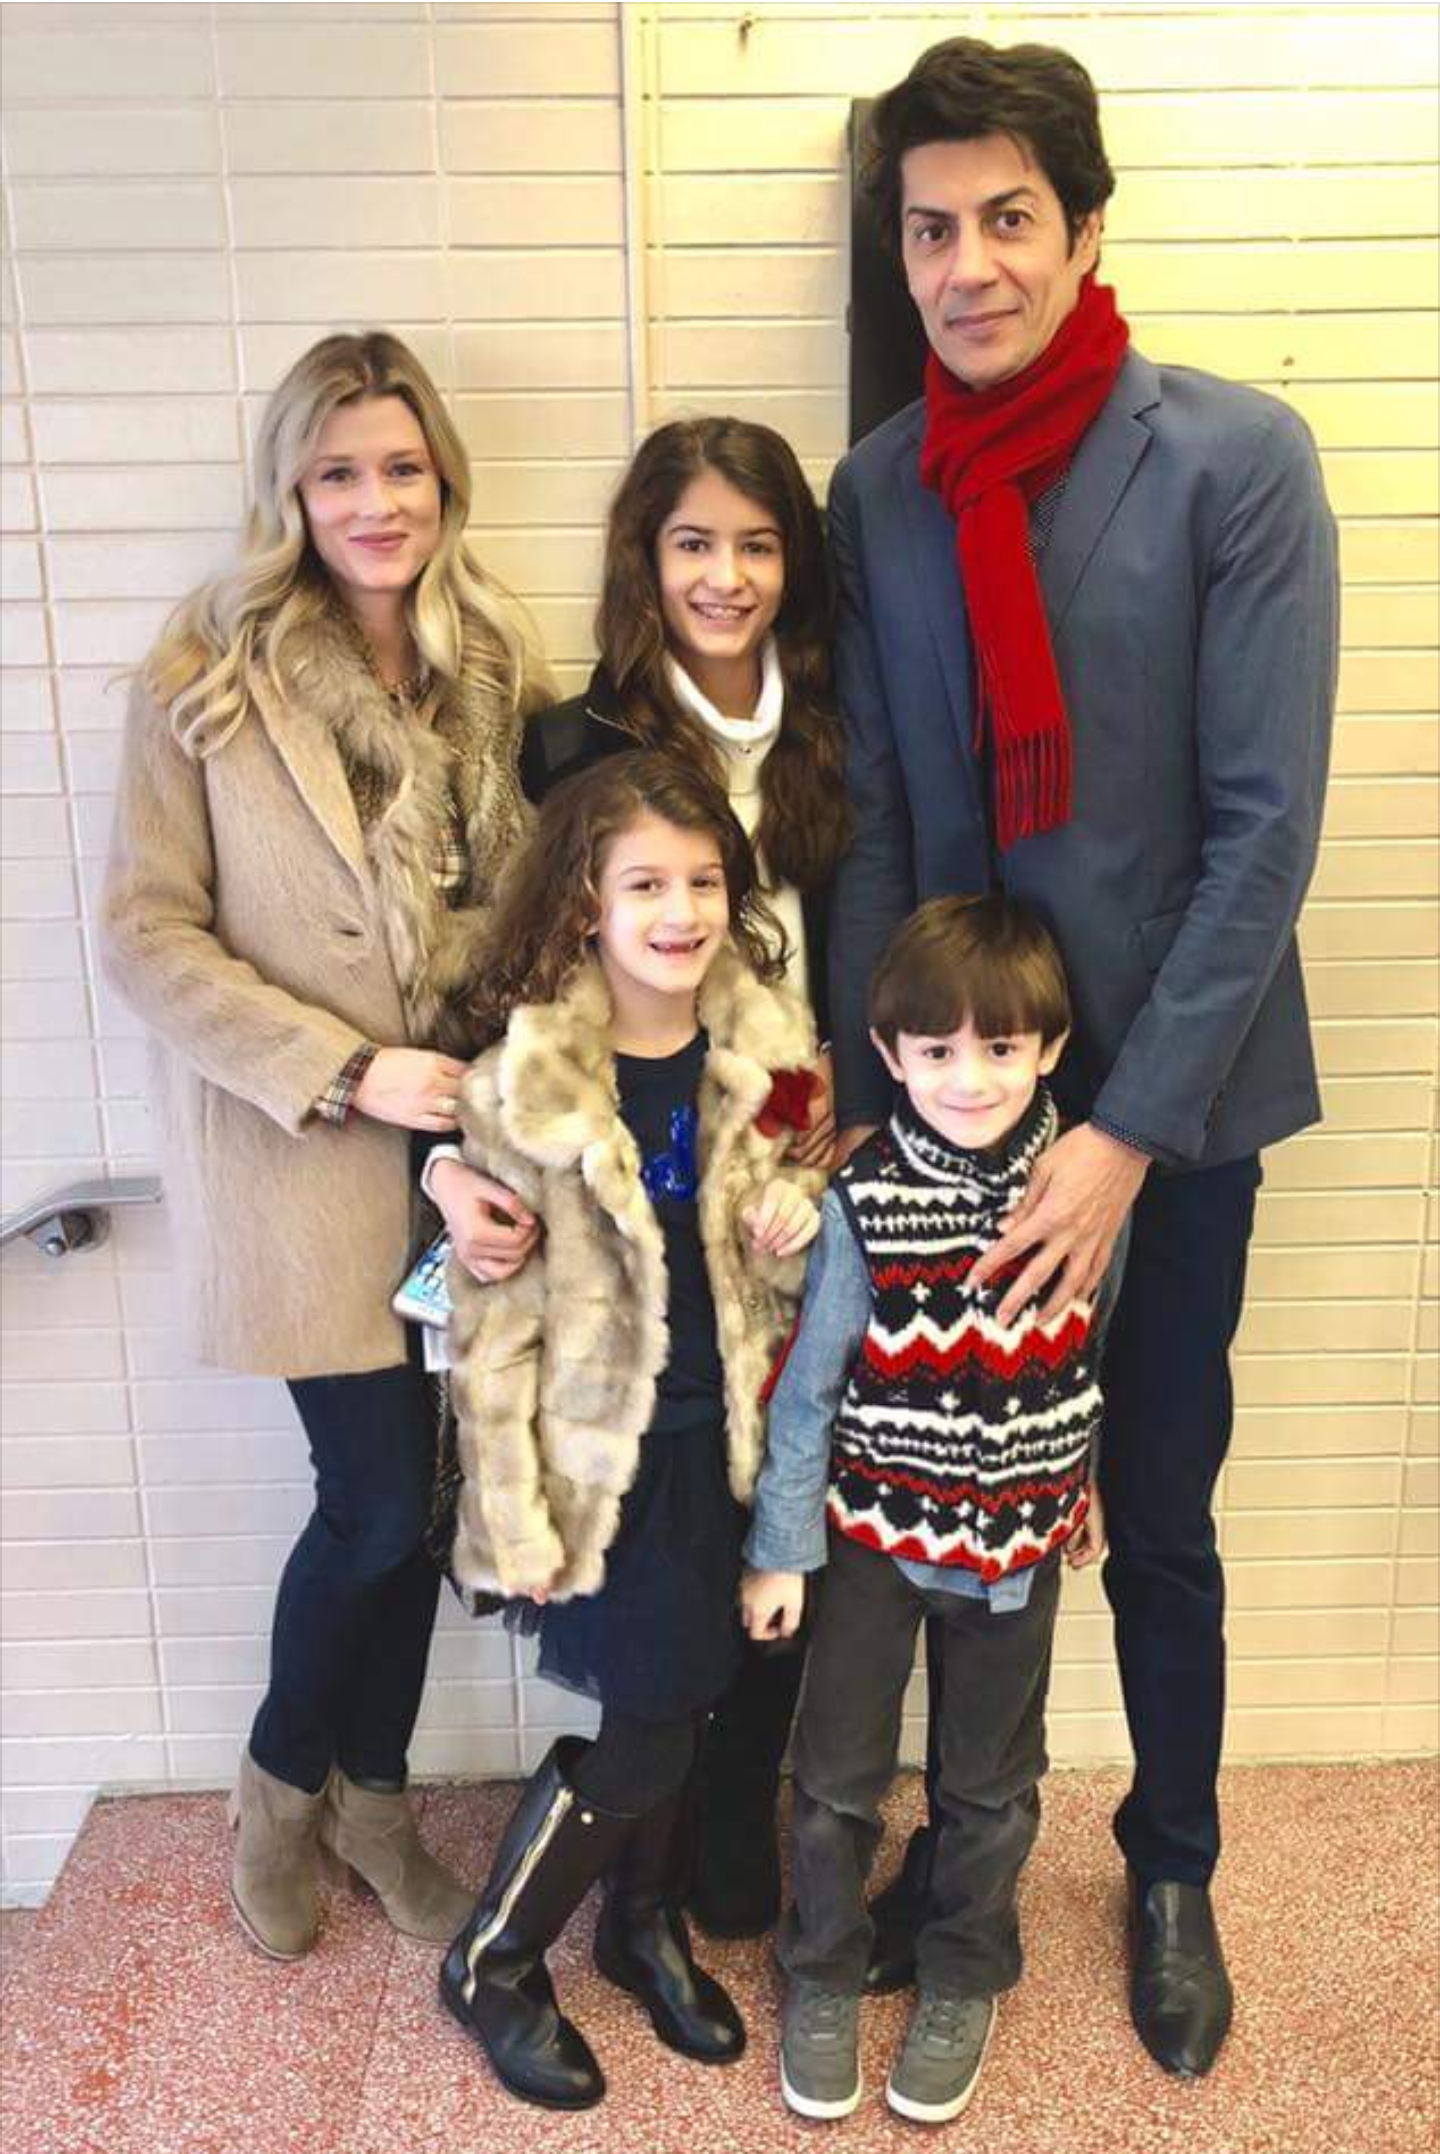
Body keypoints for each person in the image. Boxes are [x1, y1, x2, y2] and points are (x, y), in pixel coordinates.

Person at [826, 37, 1338, 2077]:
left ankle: (1175, 1861)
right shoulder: (881, 485)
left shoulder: (1234, 457)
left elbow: (1264, 829)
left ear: (1087, 228)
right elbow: (880, 816)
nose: (966, 265)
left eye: (1007, 218)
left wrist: (1121, 1134)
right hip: (952, 1111)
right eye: (928, 228)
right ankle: (960, 1863)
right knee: (941, 1492)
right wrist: (871, 1110)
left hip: (1176, 1110)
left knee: (1158, 1496)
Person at [100, 331, 549, 1962]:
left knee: (426, 1504)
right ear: (291, 488)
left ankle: (377, 1797)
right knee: (368, 1501)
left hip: (467, 1167)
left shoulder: (494, 665)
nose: (376, 502)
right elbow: (145, 933)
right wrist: (351, 1069)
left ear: (444, 480)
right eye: (339, 471)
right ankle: (283, 1790)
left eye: (402, 468)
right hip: (306, 1160)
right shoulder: (206, 670)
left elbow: (541, 902)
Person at [428, 415, 849, 1939]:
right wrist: (450, 1159)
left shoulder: (841, 733)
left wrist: (847, 1119)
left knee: (782, 1528)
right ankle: (605, 1903)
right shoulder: (576, 742)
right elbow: (510, 979)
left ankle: (712, 1852)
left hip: (797, 1146)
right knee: (668, 1605)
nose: (725, 575)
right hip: (639, 1187)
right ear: (643, 560)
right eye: (691, 543)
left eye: (757, 543)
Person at [435, 751, 824, 2112]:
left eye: (704, 882)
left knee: (695, 1700)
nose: (680, 911)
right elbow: (491, 1330)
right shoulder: (526, 1084)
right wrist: (515, 1514)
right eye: (645, 883)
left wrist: (803, 1215)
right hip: (612, 1467)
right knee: (652, 1725)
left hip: (738, 1448)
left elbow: (804, 1226)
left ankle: (641, 1925)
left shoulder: (769, 1052)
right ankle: (493, 1960)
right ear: (584, 903)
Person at [744, 894, 1107, 2125]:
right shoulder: (865, 1200)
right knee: (837, 1781)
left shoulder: (1084, 1190)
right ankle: (823, 1969)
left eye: (1000, 1047)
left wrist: (1085, 1473)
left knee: (990, 1787)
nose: (970, 1078)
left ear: (1049, 1048)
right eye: (937, 1049)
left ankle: (965, 1969)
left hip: (1019, 1544)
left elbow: (1092, 1347)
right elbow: (810, 1386)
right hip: (875, 1540)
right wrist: (783, 1551)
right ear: (889, 1055)